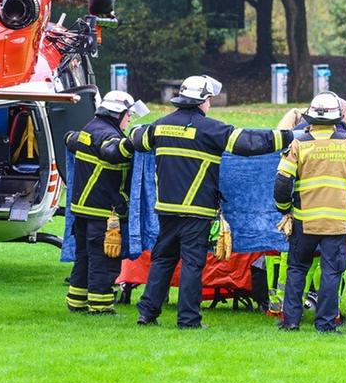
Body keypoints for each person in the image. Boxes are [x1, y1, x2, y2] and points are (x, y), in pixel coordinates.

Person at [131, 75, 292, 329]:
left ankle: (147, 313)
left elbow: (136, 138)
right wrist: (290, 136)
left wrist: (135, 129)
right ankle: (188, 320)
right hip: (197, 210)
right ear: (203, 101)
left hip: (166, 209)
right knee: (192, 264)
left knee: (162, 259)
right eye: (209, 100)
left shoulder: (160, 126)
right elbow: (249, 144)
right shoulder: (210, 129)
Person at [274, 92, 346, 333]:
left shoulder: (299, 143)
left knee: (297, 269)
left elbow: (282, 182)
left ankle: (290, 322)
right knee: (331, 272)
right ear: (337, 117)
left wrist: (284, 209)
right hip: (336, 222)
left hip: (304, 221)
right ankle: (326, 324)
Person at [64, 91, 138, 315]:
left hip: (82, 210)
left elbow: (69, 138)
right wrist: (133, 142)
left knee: (84, 257)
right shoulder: (107, 135)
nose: (130, 119)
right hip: (103, 211)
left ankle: (76, 301)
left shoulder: (89, 129)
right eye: (128, 114)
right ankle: (101, 306)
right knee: (104, 260)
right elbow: (112, 151)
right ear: (117, 114)